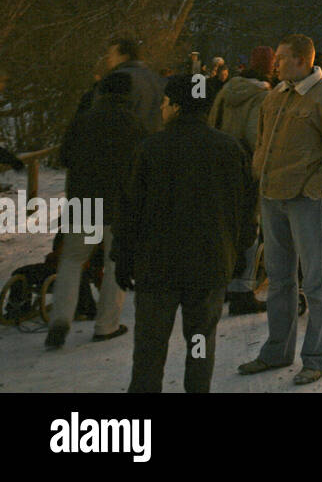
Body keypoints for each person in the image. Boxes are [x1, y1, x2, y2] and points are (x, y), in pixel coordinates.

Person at [113, 74, 257, 391]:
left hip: (157, 268)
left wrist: (122, 258)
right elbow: (246, 209)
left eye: (165, 102)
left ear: (176, 106)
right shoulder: (229, 149)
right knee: (200, 342)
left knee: (150, 347)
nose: (162, 108)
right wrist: (235, 253)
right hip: (209, 266)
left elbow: (129, 210)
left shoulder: (150, 149)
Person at [238, 34, 322, 387]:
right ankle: (277, 350)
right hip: (273, 197)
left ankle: (317, 357)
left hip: (307, 202)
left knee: (316, 281)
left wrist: (315, 187)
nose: (276, 63)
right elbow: (262, 142)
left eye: (284, 58)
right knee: (279, 279)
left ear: (304, 60)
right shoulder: (276, 95)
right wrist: (261, 175)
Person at [45, 72, 148, 350]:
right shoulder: (135, 124)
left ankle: (60, 319)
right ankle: (107, 325)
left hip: (84, 200)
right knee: (115, 263)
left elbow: (64, 157)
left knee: (72, 261)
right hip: (119, 204)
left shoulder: (84, 120)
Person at [209, 44, 275, 315]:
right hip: (246, 169)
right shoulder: (262, 95)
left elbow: (213, 122)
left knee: (227, 226)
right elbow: (256, 137)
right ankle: (243, 289)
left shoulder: (227, 90)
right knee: (251, 227)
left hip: (221, 167)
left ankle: (223, 283)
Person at [103, 37, 165, 132]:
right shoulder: (155, 78)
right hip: (154, 138)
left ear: (124, 56)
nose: (109, 59)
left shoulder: (118, 79)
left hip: (127, 137)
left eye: (112, 54)